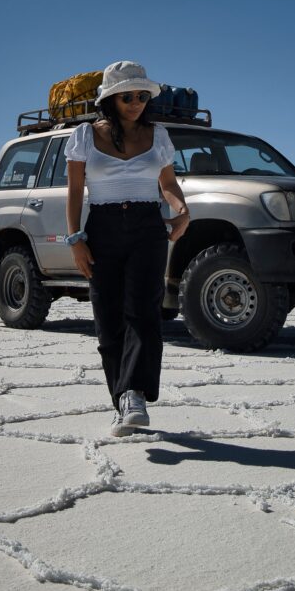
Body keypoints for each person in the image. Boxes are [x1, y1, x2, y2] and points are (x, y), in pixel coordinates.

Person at [65, 61, 190, 436]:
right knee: (107, 317)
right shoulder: (85, 135)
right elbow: (74, 192)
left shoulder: (158, 134)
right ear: (111, 99)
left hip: (147, 226)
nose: (135, 102)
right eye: (127, 96)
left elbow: (167, 183)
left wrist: (182, 210)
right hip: (101, 228)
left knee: (143, 311)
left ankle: (134, 395)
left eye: (141, 96)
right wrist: (75, 240)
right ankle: (120, 399)